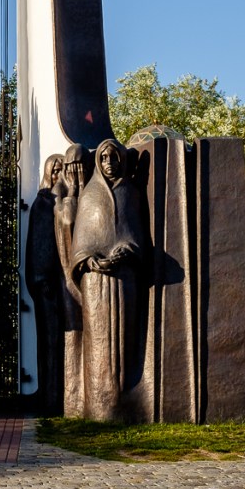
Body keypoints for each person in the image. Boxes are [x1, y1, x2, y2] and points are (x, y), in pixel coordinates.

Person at [70, 138, 144, 420]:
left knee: (126, 339)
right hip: (95, 280)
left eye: (113, 158)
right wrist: (90, 260)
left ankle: (126, 403)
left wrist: (129, 248)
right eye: (103, 159)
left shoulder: (130, 192)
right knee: (99, 341)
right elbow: (81, 241)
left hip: (125, 276)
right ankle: (99, 407)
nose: (109, 164)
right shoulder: (90, 194)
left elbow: (137, 232)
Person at [54, 143, 92, 415]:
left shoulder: (95, 193)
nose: (75, 172)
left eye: (79, 166)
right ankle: (75, 399)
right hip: (69, 278)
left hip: (90, 277)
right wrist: (74, 191)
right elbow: (68, 222)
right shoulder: (60, 199)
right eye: (70, 168)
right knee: (74, 333)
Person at [25, 154, 64, 413]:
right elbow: (40, 245)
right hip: (48, 283)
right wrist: (42, 278)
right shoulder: (43, 203)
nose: (59, 174)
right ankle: (50, 398)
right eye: (55, 169)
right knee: (50, 341)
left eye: (63, 169)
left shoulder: (66, 201)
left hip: (63, 282)